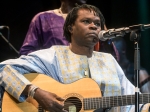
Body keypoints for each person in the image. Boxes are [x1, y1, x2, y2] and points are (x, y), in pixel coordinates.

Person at [0, 4, 144, 112]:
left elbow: (132, 100)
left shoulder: (109, 61)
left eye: (97, 23)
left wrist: (146, 106)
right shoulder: (52, 56)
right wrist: (36, 93)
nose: (94, 26)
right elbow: (4, 69)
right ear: (70, 27)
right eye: (86, 21)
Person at [19, 0, 88, 55]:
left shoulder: (90, 22)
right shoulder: (43, 18)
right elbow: (26, 52)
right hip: (51, 71)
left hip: (82, 70)